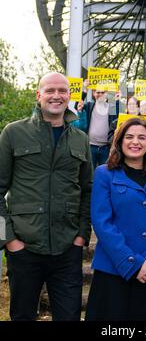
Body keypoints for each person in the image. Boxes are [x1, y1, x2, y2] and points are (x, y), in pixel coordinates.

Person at [0, 72, 93, 321]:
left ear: (69, 96)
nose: (56, 95)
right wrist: (9, 240)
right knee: (22, 316)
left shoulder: (81, 140)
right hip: (24, 248)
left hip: (66, 249)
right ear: (38, 95)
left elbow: (87, 191)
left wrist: (81, 236)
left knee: (70, 316)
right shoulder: (13, 134)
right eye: (50, 90)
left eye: (62, 91)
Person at [85, 117, 146, 321]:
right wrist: (133, 263)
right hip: (113, 271)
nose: (135, 142)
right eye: (129, 137)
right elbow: (102, 222)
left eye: (141, 137)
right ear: (119, 141)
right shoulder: (105, 174)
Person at [76, 84, 119, 169]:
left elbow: (119, 115)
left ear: (106, 94)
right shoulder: (89, 106)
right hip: (90, 146)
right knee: (89, 172)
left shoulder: (111, 107)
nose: (100, 94)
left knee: (107, 171)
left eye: (102, 92)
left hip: (106, 148)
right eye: (97, 92)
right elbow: (77, 104)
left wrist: (118, 100)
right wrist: (84, 89)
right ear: (93, 93)